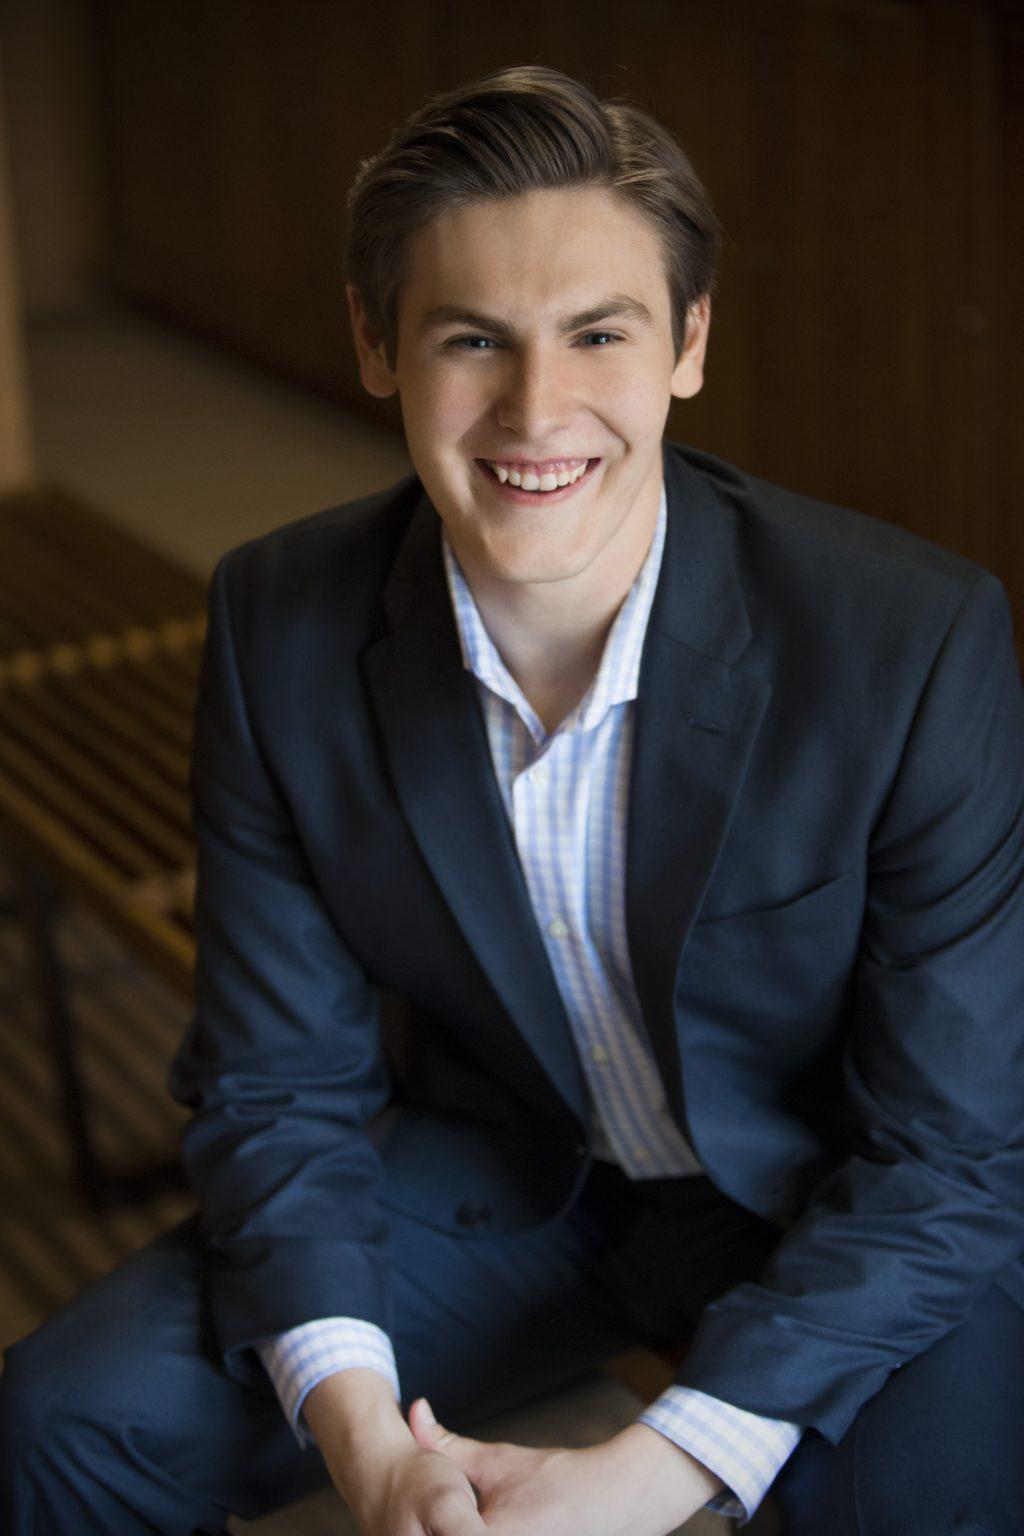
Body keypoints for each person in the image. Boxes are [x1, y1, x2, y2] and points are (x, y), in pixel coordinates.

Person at [2, 63, 1023, 1536]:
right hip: (514, 1178)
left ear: (688, 342)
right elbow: (275, 1082)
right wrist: (367, 1443)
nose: (536, 412)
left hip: (850, 1200)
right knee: (56, 1422)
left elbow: (952, 1153)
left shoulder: (913, 642)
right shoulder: (277, 621)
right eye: (473, 339)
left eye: (597, 333)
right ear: (376, 343)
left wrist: (649, 1473)